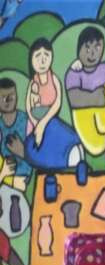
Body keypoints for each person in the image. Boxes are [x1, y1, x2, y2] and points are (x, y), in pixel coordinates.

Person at [19, 38, 84, 172]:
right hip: (36, 123)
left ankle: (71, 157)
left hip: (51, 119)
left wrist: (44, 123)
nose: (42, 61)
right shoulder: (33, 83)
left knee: (60, 134)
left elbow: (58, 102)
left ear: (51, 57)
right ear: (31, 60)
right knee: (34, 147)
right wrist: (37, 123)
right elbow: (28, 107)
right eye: (38, 56)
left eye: (46, 55)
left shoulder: (54, 79)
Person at [64, 26, 105, 159]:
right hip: (86, 123)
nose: (92, 53)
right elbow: (74, 99)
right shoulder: (74, 73)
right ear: (79, 49)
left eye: (97, 47)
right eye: (87, 48)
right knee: (96, 147)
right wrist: (96, 97)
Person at [0, 78, 31, 189]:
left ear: (16, 97)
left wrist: (23, 152)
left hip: (25, 179)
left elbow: (41, 155)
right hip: (5, 182)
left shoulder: (27, 122)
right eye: (3, 98)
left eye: (11, 96)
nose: (7, 101)